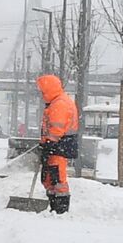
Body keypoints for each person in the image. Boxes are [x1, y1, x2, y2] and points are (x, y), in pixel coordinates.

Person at [37, 74, 80, 215]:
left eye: (43, 90)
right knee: (49, 177)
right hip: (56, 146)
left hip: (59, 146)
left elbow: (56, 129)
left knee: (57, 177)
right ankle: (54, 205)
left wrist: (48, 144)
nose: (41, 93)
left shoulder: (59, 104)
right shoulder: (57, 102)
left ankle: (60, 208)